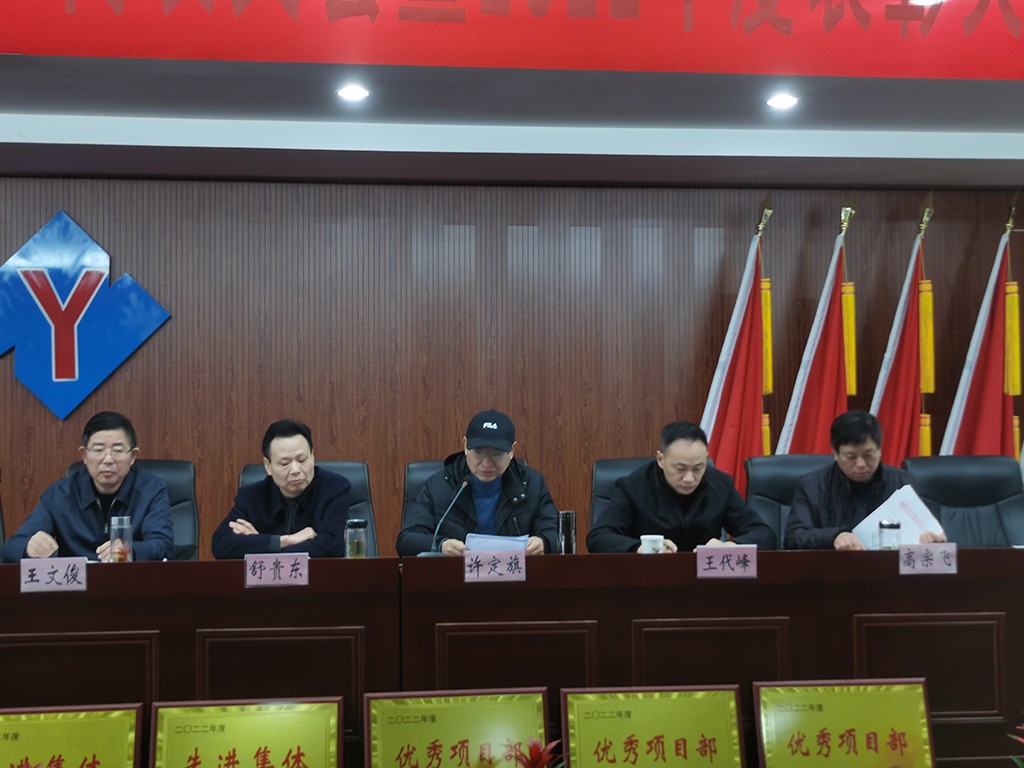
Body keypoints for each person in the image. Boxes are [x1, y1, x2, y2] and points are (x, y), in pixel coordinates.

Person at [2, 411, 173, 562]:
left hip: (131, 583)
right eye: (98, 450)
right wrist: (28, 548)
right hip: (74, 586)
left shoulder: (151, 490)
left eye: (117, 450)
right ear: (84, 455)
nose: (108, 459)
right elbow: (11, 548)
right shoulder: (59, 494)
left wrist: (129, 551)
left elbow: (163, 545)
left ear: (133, 456)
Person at [586, 420, 775, 553]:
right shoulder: (633, 487)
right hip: (647, 584)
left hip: (707, 585)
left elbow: (764, 535)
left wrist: (731, 547)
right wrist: (640, 548)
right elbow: (598, 537)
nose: (689, 478)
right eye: (680, 468)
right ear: (661, 459)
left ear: (706, 458)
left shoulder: (720, 485)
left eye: (698, 467)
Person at [396, 409, 559, 556]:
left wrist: (544, 542)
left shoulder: (532, 484)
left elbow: (556, 534)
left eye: (496, 453)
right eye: (479, 452)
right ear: (465, 446)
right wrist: (441, 545)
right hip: (455, 576)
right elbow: (406, 539)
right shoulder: (438, 486)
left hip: (516, 577)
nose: (487, 463)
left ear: (512, 451)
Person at [784, 410, 946, 550]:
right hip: (833, 571)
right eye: (851, 457)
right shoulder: (812, 486)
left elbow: (934, 533)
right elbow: (794, 537)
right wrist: (834, 536)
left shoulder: (902, 482)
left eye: (868, 455)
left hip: (888, 571)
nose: (861, 464)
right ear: (835, 453)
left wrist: (933, 539)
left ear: (880, 450)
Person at [212, 419, 350, 558]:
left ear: (312, 456)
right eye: (285, 463)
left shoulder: (334, 488)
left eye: (302, 460)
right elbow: (221, 545)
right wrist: (284, 541)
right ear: (268, 466)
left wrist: (260, 544)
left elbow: (334, 546)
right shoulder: (251, 497)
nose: (295, 470)